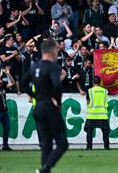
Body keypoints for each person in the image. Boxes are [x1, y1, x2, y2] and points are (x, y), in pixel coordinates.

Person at [22, 39, 68, 173]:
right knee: (62, 143)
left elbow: (23, 83)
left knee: (46, 143)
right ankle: (45, 169)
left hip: (38, 109)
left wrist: (36, 96)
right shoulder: (53, 67)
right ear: (53, 51)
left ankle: (44, 170)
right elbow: (56, 85)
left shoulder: (34, 66)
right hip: (49, 108)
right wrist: (58, 102)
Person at [84, 76, 110, 150]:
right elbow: (106, 101)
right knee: (105, 132)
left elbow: (88, 102)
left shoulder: (89, 91)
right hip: (103, 115)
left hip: (92, 115)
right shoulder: (105, 91)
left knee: (89, 132)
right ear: (100, 82)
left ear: (93, 82)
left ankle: (89, 147)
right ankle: (107, 147)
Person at [0, 64, 15, 151]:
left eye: (1, 81)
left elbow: (13, 83)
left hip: (4, 111)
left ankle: (5, 145)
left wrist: (8, 74)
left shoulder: (3, 87)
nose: (0, 82)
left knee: (7, 128)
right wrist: (0, 75)